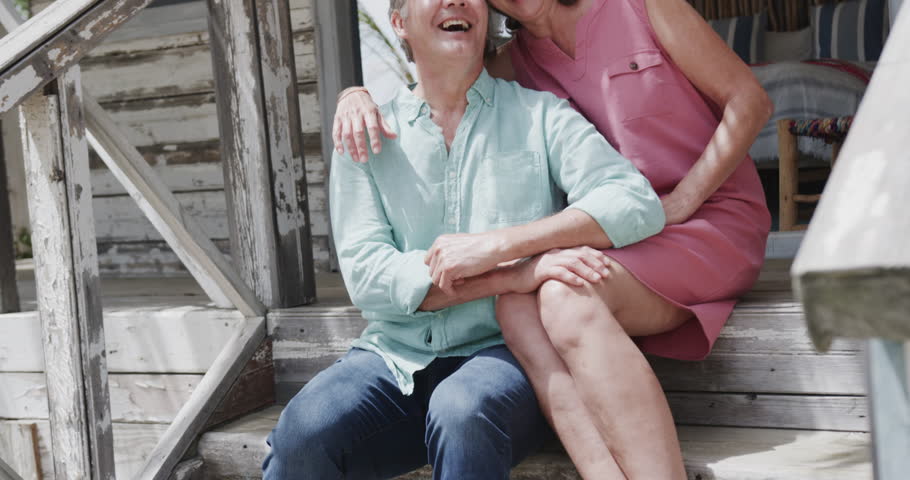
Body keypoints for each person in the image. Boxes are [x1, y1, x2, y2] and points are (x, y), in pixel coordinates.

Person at [334, 0, 773, 478]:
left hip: (709, 220)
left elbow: (750, 99)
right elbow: (439, 77)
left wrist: (685, 199)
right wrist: (353, 96)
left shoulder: (642, 7)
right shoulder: (513, 60)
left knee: (564, 297)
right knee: (516, 309)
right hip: (620, 235)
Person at [262, 0, 667, 478]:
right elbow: (370, 279)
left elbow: (634, 202)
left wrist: (504, 245)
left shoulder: (541, 116)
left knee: (461, 411)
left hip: (505, 359)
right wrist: (515, 276)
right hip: (395, 356)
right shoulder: (365, 136)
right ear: (399, 23)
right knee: (302, 432)